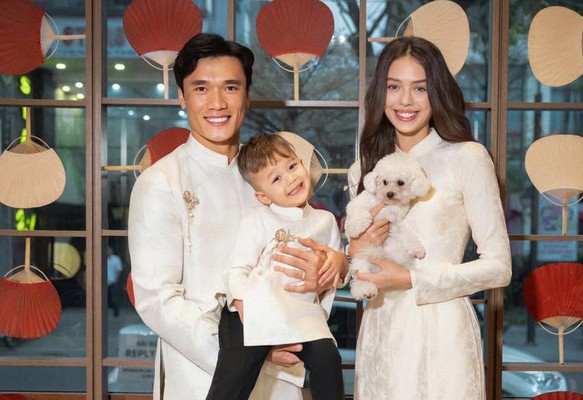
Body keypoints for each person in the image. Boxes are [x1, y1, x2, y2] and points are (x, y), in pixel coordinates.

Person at [128, 33, 341, 400]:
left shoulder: (269, 172)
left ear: (247, 94)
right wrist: (253, 346)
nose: (217, 103)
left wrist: (332, 267)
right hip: (204, 374)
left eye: (230, 87)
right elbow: (157, 300)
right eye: (201, 88)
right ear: (182, 96)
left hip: (282, 367)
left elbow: (312, 243)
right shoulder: (161, 182)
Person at [346, 36, 512, 399]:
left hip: (442, 334)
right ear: (380, 93)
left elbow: (499, 267)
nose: (405, 100)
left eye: (419, 88)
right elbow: (358, 256)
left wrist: (412, 279)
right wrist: (352, 251)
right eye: (394, 87)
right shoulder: (366, 169)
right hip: (380, 333)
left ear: (436, 93)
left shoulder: (467, 157)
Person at [208, 132, 345, 400]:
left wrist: (338, 263)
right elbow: (237, 270)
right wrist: (247, 313)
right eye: (276, 179)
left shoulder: (325, 220)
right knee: (234, 377)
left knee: (327, 359)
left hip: (302, 313)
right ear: (263, 196)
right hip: (254, 308)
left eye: (292, 166)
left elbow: (335, 272)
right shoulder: (257, 217)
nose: (291, 179)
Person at [106, 246, 123, 318]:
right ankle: (103, 314)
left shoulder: (116, 259)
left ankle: (116, 314)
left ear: (112, 251)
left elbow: (119, 269)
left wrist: (116, 279)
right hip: (103, 282)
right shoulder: (101, 259)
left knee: (114, 298)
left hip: (112, 281)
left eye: (109, 251)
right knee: (103, 299)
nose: (108, 252)